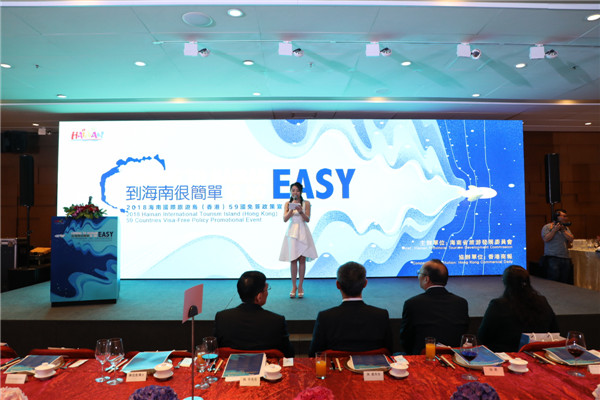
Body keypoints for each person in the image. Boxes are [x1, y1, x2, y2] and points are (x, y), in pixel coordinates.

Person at [308, 262, 393, 356]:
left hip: (334, 366)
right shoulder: (381, 315)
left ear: (338, 285)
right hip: (375, 365)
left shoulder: (325, 317)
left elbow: (314, 355)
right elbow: (390, 352)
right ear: (365, 283)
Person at [478, 265, 559, 352]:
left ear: (505, 282)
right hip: (536, 354)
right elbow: (555, 330)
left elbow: (483, 337)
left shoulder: (498, 305)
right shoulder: (542, 301)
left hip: (504, 355)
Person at [214, 271, 295, 357]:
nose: (267, 293)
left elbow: (215, 351)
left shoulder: (222, 318)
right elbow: (288, 354)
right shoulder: (277, 321)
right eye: (266, 289)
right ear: (259, 297)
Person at [399, 259, 469, 355]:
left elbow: (406, 339)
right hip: (453, 358)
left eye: (419, 273)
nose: (418, 276)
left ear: (426, 279)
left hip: (423, 358)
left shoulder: (412, 303)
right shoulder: (461, 303)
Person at [279, 182, 318, 298]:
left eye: (297, 190)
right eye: (293, 190)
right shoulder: (287, 203)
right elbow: (285, 219)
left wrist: (300, 211)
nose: (295, 192)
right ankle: (293, 286)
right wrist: (291, 209)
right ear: (291, 192)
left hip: (303, 231)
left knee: (302, 260)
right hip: (292, 232)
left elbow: (307, 219)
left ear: (300, 192)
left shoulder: (306, 203)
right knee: (293, 259)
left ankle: (300, 286)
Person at [541, 209, 574, 283]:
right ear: (557, 217)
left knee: (564, 280)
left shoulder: (565, 228)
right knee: (553, 280)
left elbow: (571, 239)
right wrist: (554, 230)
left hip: (565, 257)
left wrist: (563, 230)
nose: (566, 218)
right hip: (552, 257)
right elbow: (546, 239)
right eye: (564, 216)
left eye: (566, 216)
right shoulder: (547, 227)